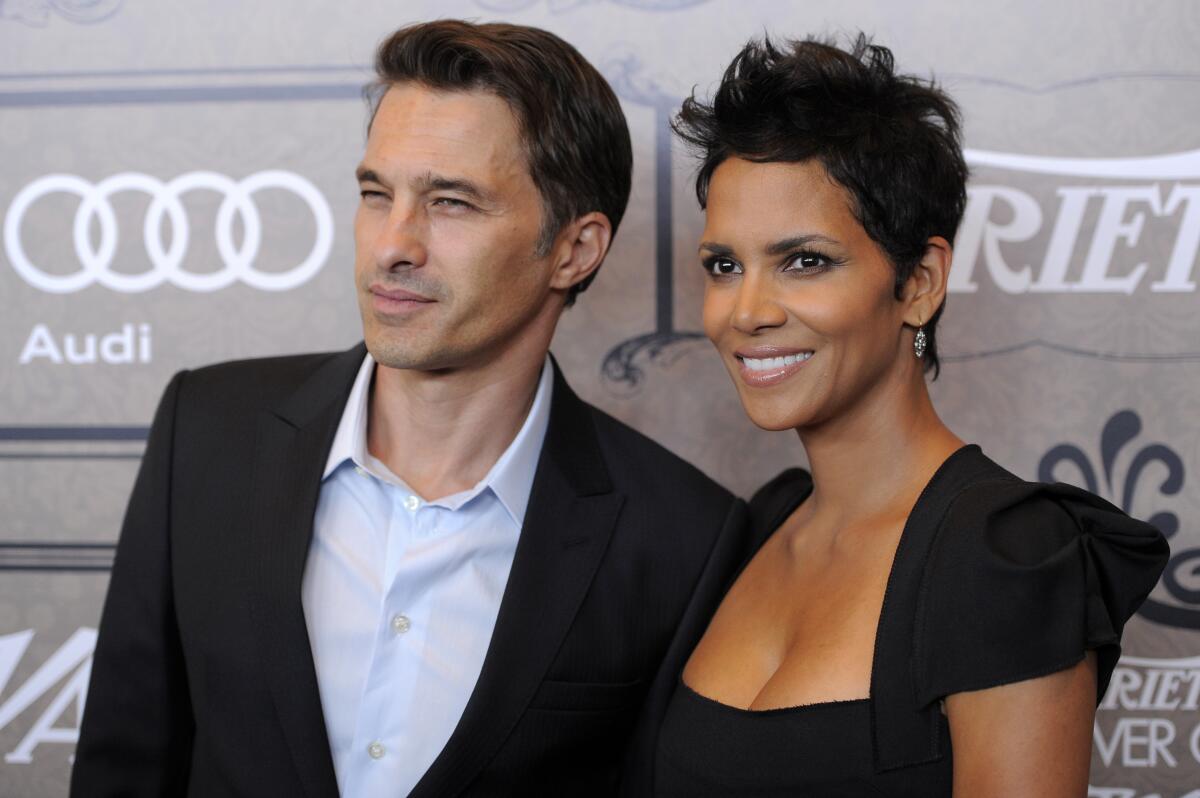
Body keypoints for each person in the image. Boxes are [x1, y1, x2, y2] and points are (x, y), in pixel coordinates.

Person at [71, 20, 746, 798]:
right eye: (374, 193)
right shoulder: (208, 432)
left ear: (574, 250)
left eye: (451, 203)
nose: (391, 244)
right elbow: (123, 766)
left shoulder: (682, 538)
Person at [654, 34, 1170, 796]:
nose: (746, 312)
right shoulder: (765, 524)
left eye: (806, 261)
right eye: (724, 266)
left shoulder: (1005, 554)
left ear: (921, 282)